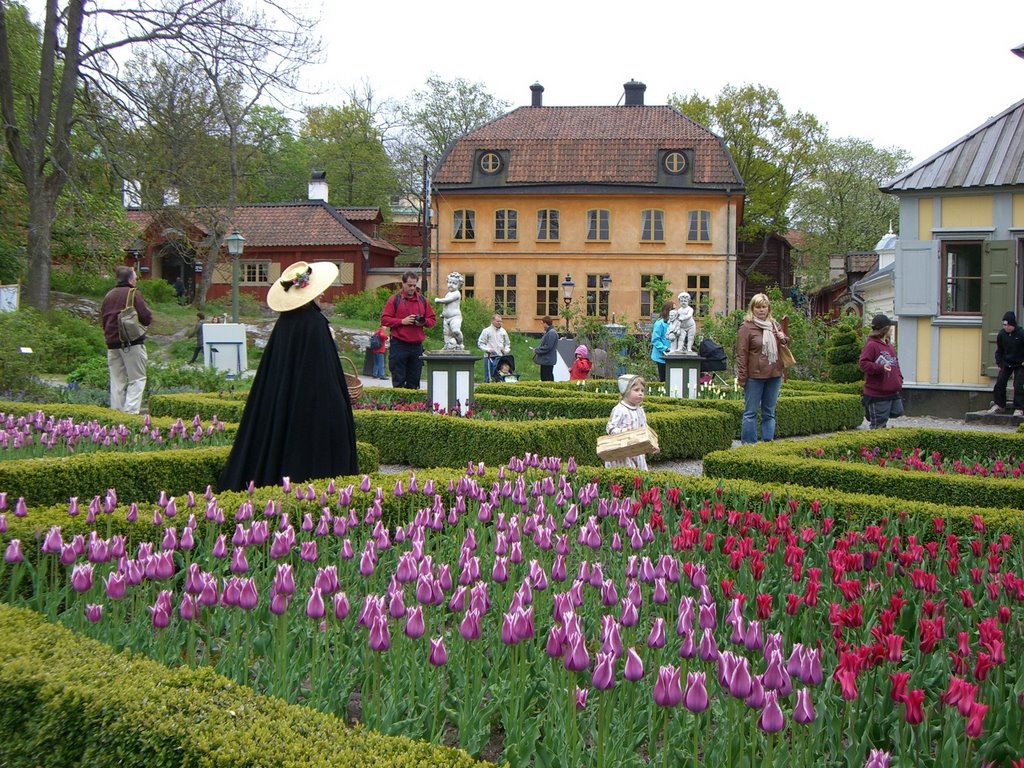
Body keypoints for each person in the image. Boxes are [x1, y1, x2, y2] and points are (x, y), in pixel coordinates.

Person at [218, 261, 358, 492]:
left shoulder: (284, 324)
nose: (322, 293)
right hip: (311, 408)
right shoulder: (315, 324)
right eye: (318, 290)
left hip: (283, 402)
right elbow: (323, 376)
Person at [736, 293, 789, 444]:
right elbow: (741, 354)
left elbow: (784, 344)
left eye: (764, 307)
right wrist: (742, 377)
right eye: (758, 307)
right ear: (752, 309)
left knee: (769, 413)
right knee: (750, 413)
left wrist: (783, 338)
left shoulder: (774, 325)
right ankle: (749, 445)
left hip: (774, 374)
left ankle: (768, 444)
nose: (761, 310)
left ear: (768, 308)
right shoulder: (746, 327)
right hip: (755, 376)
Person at [100, 265, 153, 414]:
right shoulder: (133, 294)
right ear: (130, 279)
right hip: (131, 344)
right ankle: (130, 414)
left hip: (112, 344)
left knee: (117, 381)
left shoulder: (108, 296)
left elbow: (102, 319)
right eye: (135, 277)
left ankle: (116, 414)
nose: (136, 280)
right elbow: (146, 318)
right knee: (137, 379)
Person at [381, 271, 436, 389]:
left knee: (414, 382)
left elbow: (432, 320)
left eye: (414, 285)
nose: (412, 288)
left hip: (416, 346)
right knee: (398, 380)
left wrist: (423, 322)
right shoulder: (394, 299)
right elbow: (384, 320)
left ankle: (412, 406)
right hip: (399, 344)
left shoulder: (422, 300)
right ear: (403, 283)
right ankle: (399, 406)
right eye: (410, 285)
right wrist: (402, 321)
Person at [859, 313, 904, 429]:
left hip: (892, 392)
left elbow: (895, 364)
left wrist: (899, 379)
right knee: (879, 424)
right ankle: (875, 446)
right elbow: (863, 364)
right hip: (878, 393)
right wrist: (880, 368)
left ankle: (870, 411)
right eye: (890, 328)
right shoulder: (872, 345)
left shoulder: (889, 346)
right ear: (886, 329)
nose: (891, 330)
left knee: (897, 411)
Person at [605, 374, 657, 470]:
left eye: (642, 390)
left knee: (640, 477)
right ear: (626, 391)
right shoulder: (619, 409)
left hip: (637, 451)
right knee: (628, 476)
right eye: (636, 390)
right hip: (622, 452)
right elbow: (610, 427)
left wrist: (652, 443)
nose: (640, 393)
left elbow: (645, 428)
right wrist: (622, 431)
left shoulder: (640, 410)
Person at [988, 311, 1024, 417]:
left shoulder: (1021, 334)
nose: (1006, 327)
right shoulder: (1001, 335)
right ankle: (999, 405)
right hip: (1006, 363)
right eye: (1004, 325)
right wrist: (1000, 363)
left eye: (1008, 325)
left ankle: (1019, 408)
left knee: (1018, 384)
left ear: (1013, 324)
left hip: (1020, 364)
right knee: (1000, 382)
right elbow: (999, 350)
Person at [435, 272, 465, 350]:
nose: (451, 284)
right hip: (446, 318)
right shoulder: (448, 293)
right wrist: (443, 314)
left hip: (455, 317)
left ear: (459, 285)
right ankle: (448, 345)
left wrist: (439, 300)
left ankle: (460, 343)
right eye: (449, 282)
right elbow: (446, 306)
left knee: (456, 331)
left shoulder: (457, 293)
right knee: (446, 333)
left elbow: (447, 301)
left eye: (454, 283)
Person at [478, 314, 511, 382]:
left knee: (500, 376)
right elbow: (480, 343)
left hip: (500, 357)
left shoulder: (503, 331)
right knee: (489, 377)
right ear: (493, 321)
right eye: (497, 321)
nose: (499, 323)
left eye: (500, 321)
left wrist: (506, 351)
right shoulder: (486, 331)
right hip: (489, 357)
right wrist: (488, 349)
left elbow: (507, 343)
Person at [650, 299, 674, 382]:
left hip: (672, 355)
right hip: (661, 355)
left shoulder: (673, 323)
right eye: (673, 309)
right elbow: (655, 340)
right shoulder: (659, 323)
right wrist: (665, 348)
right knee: (664, 379)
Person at [533, 315, 559, 381]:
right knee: (545, 378)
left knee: (547, 378)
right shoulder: (549, 332)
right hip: (546, 360)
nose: (542, 326)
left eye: (543, 323)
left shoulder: (551, 333)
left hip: (547, 360)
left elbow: (548, 346)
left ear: (545, 323)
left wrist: (537, 350)